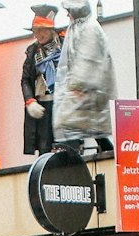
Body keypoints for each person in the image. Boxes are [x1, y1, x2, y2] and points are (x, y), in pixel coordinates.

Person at [52, 0, 113, 151]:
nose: (67, 15)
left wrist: (77, 86)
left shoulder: (88, 28)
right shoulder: (80, 28)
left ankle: (71, 156)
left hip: (85, 89)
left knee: (69, 122)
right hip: (85, 88)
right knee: (87, 125)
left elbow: (88, 60)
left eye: (69, 11)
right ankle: (106, 151)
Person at [20, 13, 60, 156]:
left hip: (62, 104)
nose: (38, 35)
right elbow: (26, 79)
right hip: (43, 105)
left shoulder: (64, 46)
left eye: (42, 30)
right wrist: (30, 101)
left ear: (51, 30)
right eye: (35, 31)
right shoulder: (33, 51)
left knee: (65, 145)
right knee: (44, 147)